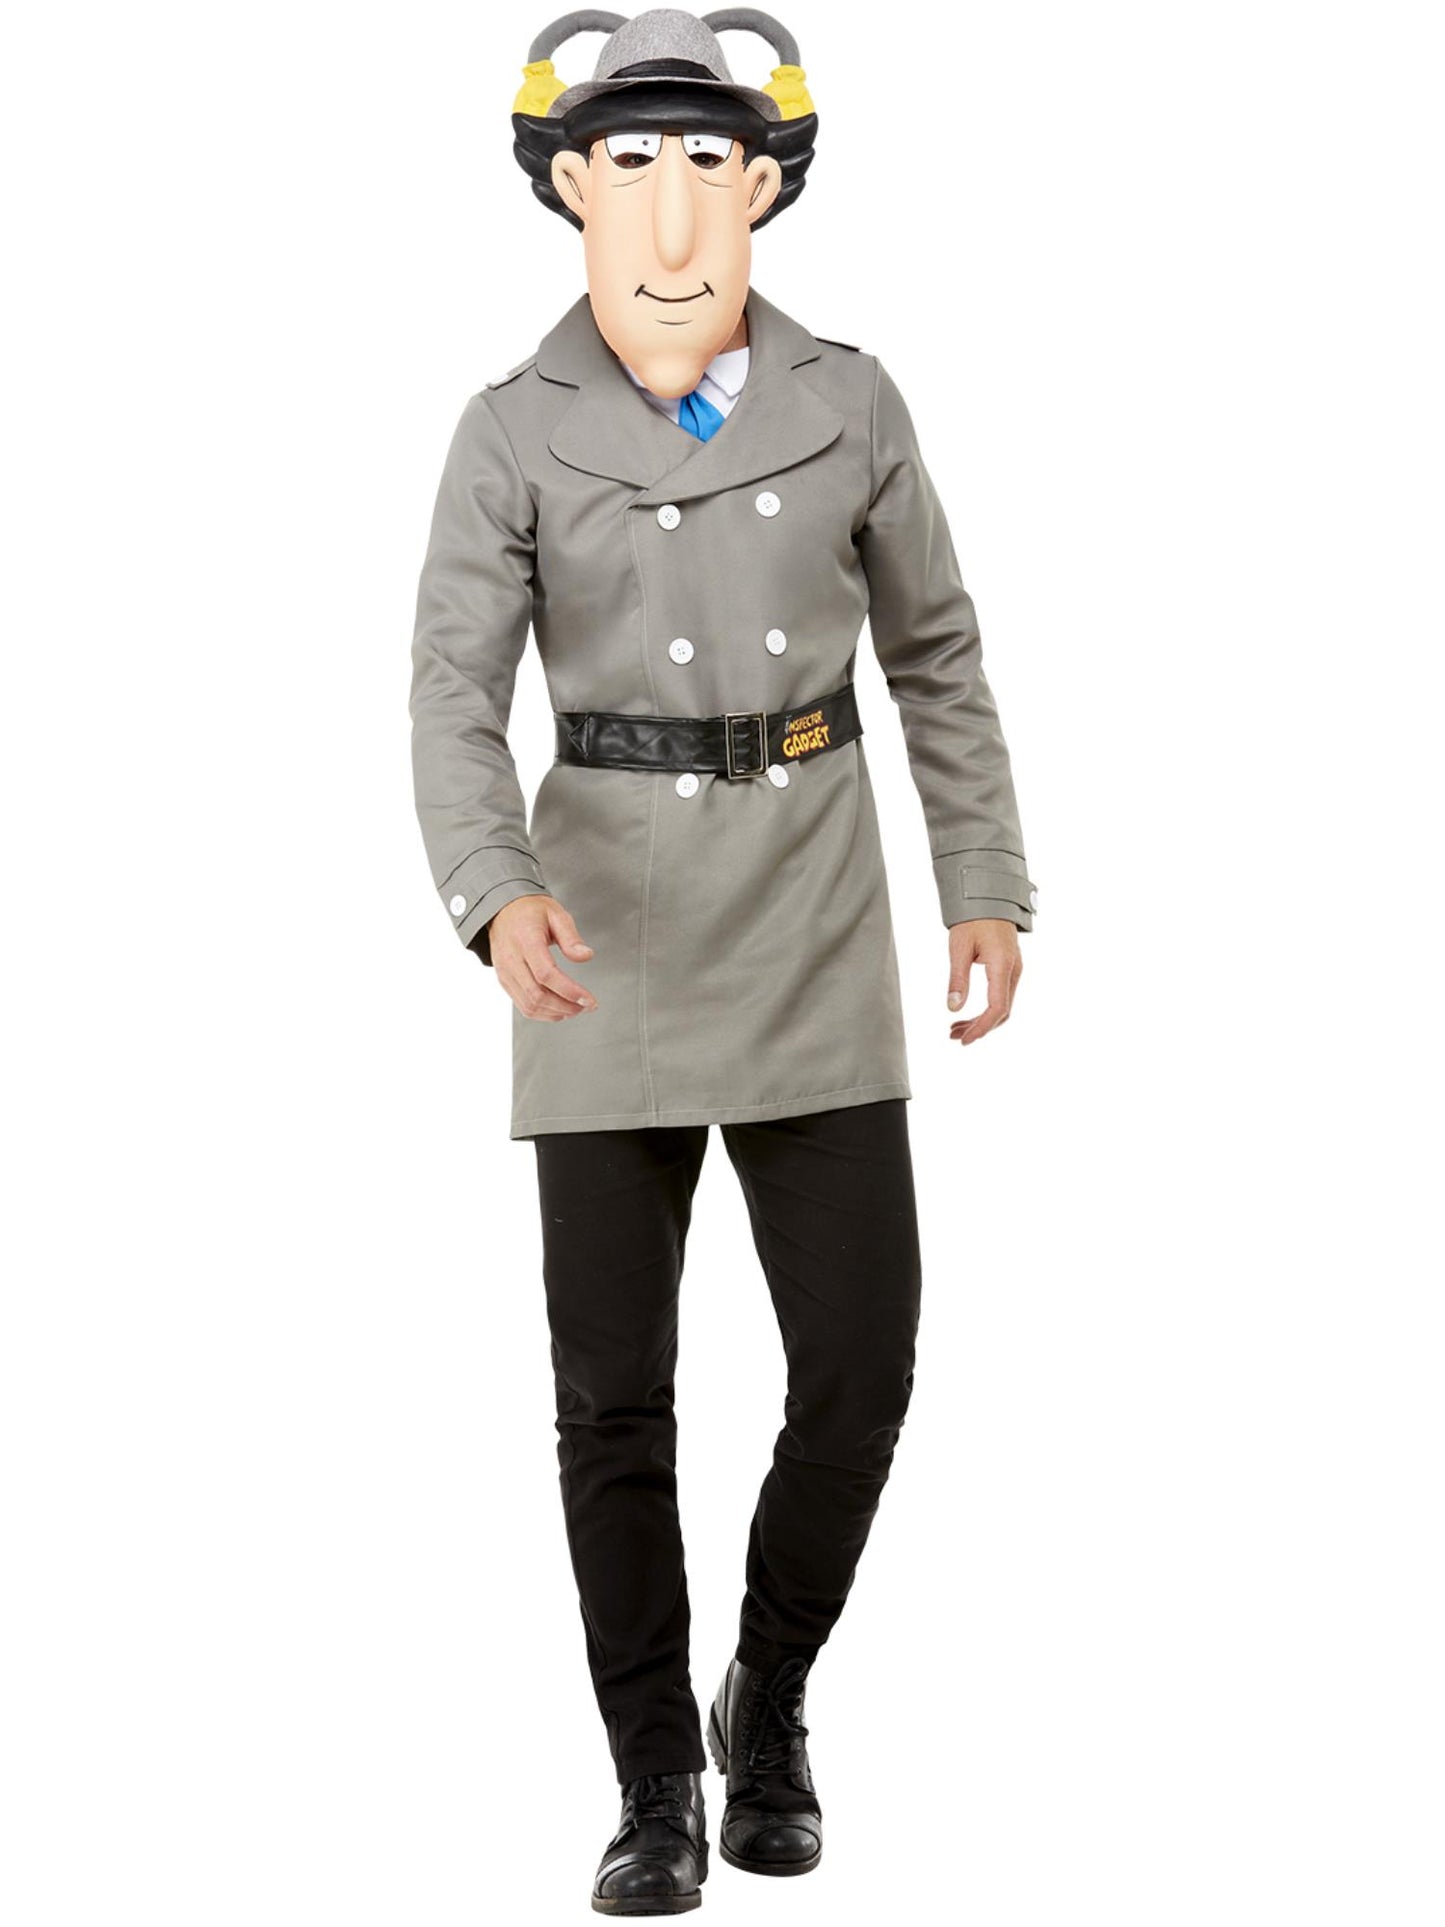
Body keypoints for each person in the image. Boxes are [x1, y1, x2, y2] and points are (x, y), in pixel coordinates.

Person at [408, 8, 1038, 1911]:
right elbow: (451, 697)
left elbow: (936, 658)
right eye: (630, 161)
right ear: (568, 187)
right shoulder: (510, 425)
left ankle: (765, 1698)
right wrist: (493, 890)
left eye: (707, 161)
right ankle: (649, 1784)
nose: (670, 208)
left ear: (761, 185)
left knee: (859, 1361)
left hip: (813, 909)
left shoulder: (855, 397)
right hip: (596, 929)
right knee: (613, 1393)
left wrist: (982, 881)